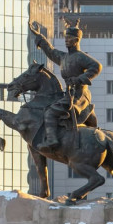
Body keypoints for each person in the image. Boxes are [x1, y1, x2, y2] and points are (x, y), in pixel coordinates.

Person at [28, 20, 102, 149]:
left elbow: (97, 66)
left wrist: (79, 79)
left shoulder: (81, 57)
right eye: (65, 37)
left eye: (69, 38)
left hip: (80, 95)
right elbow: (50, 51)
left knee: (50, 113)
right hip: (68, 94)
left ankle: (52, 141)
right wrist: (39, 36)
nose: (66, 40)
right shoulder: (63, 57)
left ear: (76, 40)